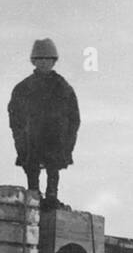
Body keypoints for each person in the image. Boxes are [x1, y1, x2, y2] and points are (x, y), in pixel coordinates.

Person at [7, 39, 80, 210]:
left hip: (55, 136)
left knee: (53, 167)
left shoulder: (63, 87)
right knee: (32, 165)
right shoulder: (23, 87)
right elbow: (14, 116)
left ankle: (52, 195)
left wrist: (68, 142)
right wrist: (20, 139)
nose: (44, 63)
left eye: (48, 59)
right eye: (40, 59)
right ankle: (34, 193)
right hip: (32, 135)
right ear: (33, 61)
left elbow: (74, 117)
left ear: (54, 61)